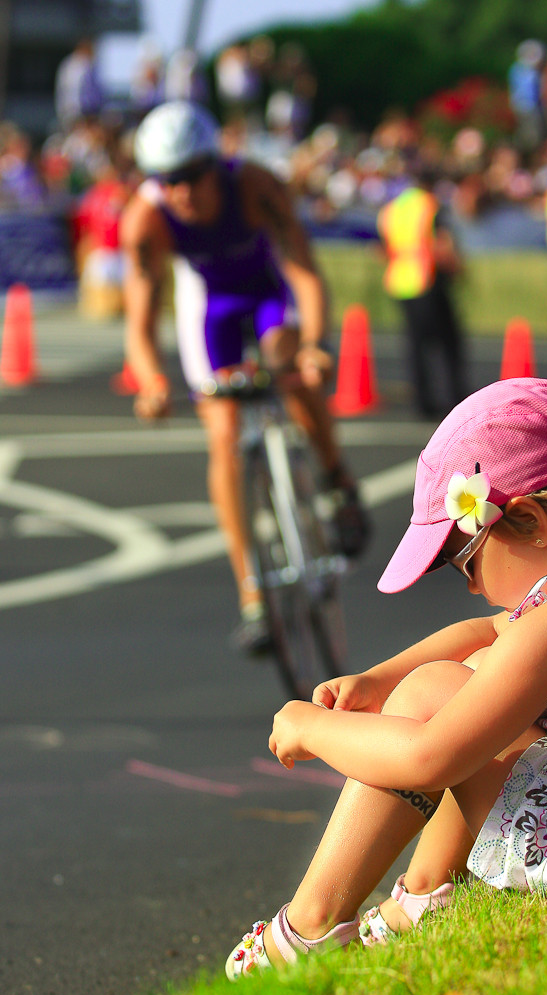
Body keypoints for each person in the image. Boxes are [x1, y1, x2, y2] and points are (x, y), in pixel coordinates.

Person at [224, 376, 547, 978]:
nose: (472, 585)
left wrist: (312, 728)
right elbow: (488, 633)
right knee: (453, 676)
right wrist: (383, 678)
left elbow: (431, 758)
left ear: (531, 522)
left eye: (466, 558)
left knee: (435, 699)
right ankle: (424, 898)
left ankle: (309, 926)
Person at [120, 100, 370, 651]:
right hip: (211, 309)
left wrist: (316, 345)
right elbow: (140, 320)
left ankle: (336, 481)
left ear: (217, 165)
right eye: (168, 181)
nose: (182, 192)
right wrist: (152, 382)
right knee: (223, 435)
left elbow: (302, 268)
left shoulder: (255, 185)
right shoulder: (144, 219)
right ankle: (252, 593)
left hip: (267, 292)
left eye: (192, 175)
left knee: (290, 362)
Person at [376, 165, 469, 419]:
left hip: (400, 280)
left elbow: (384, 247)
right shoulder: (429, 205)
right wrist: (458, 268)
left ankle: (423, 402)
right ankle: (455, 398)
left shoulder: (392, 209)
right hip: (427, 277)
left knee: (416, 344)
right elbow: (442, 241)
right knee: (448, 341)